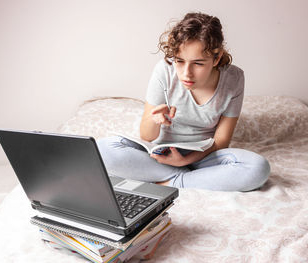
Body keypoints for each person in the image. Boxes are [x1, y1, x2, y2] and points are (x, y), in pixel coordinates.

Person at [97, 12, 270, 191]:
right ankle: (185, 178)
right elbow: (147, 136)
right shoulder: (164, 70)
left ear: (216, 58)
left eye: (198, 63)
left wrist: (185, 161)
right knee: (102, 149)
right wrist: (155, 120)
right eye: (180, 61)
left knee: (258, 167)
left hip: (204, 157)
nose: (186, 73)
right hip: (162, 155)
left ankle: (175, 180)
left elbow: (221, 141)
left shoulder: (234, 78)